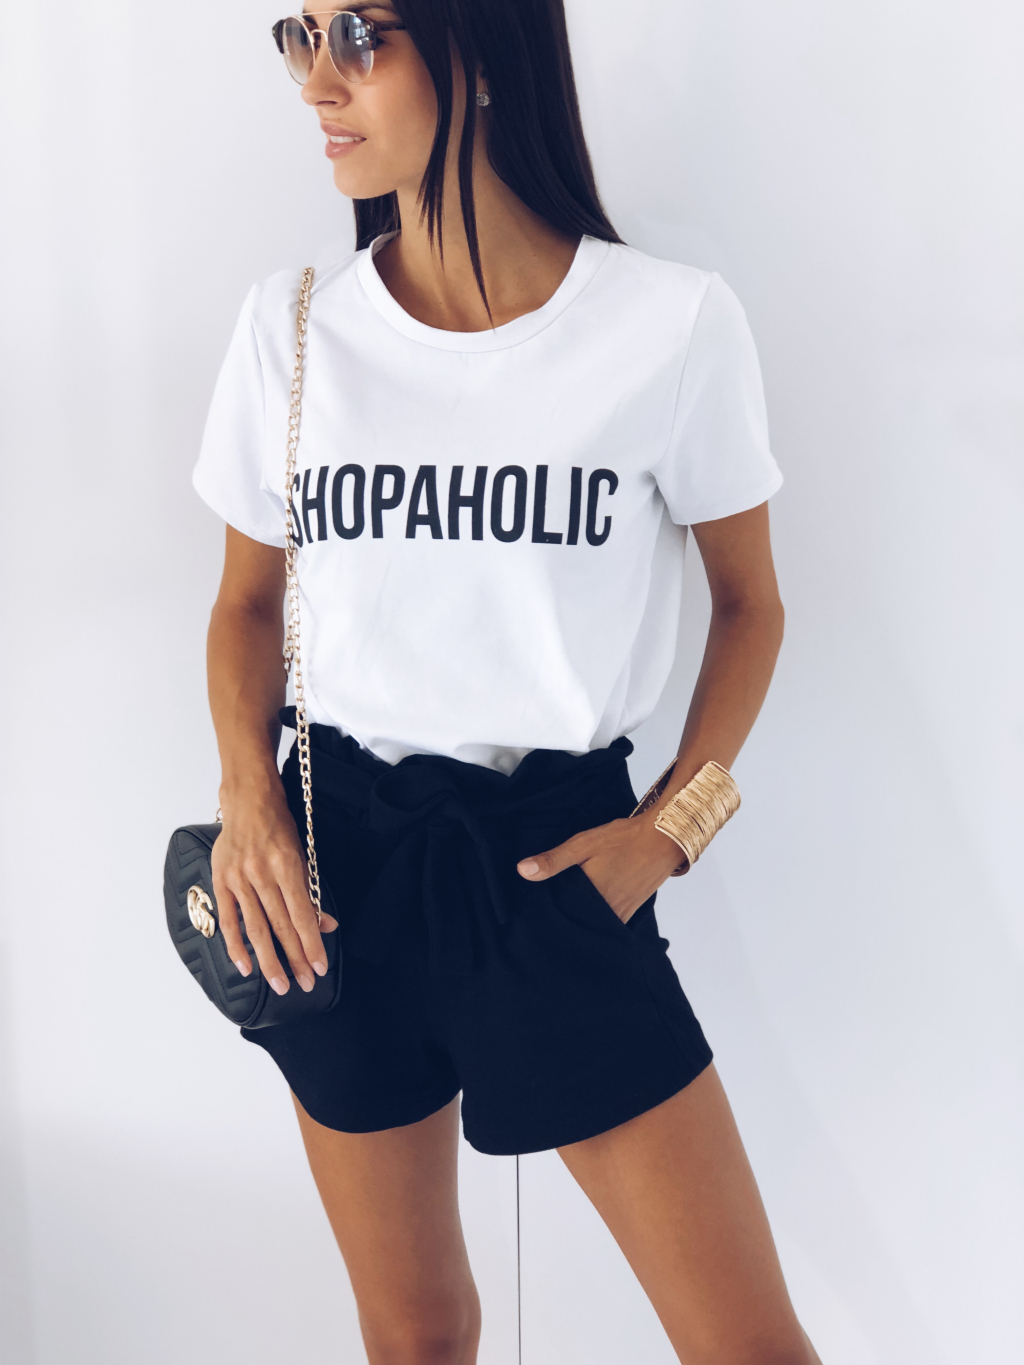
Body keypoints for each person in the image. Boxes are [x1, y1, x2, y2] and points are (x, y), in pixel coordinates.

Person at [193, 3, 820, 1362]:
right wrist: (249, 800)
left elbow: (751, 605)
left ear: (478, 53)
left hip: (554, 864)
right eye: (298, 33)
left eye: (362, 36)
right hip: (335, 876)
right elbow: (246, 604)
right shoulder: (292, 329)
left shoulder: (668, 327)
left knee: (750, 1348)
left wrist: (671, 829)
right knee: (417, 1333)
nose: (316, 81)